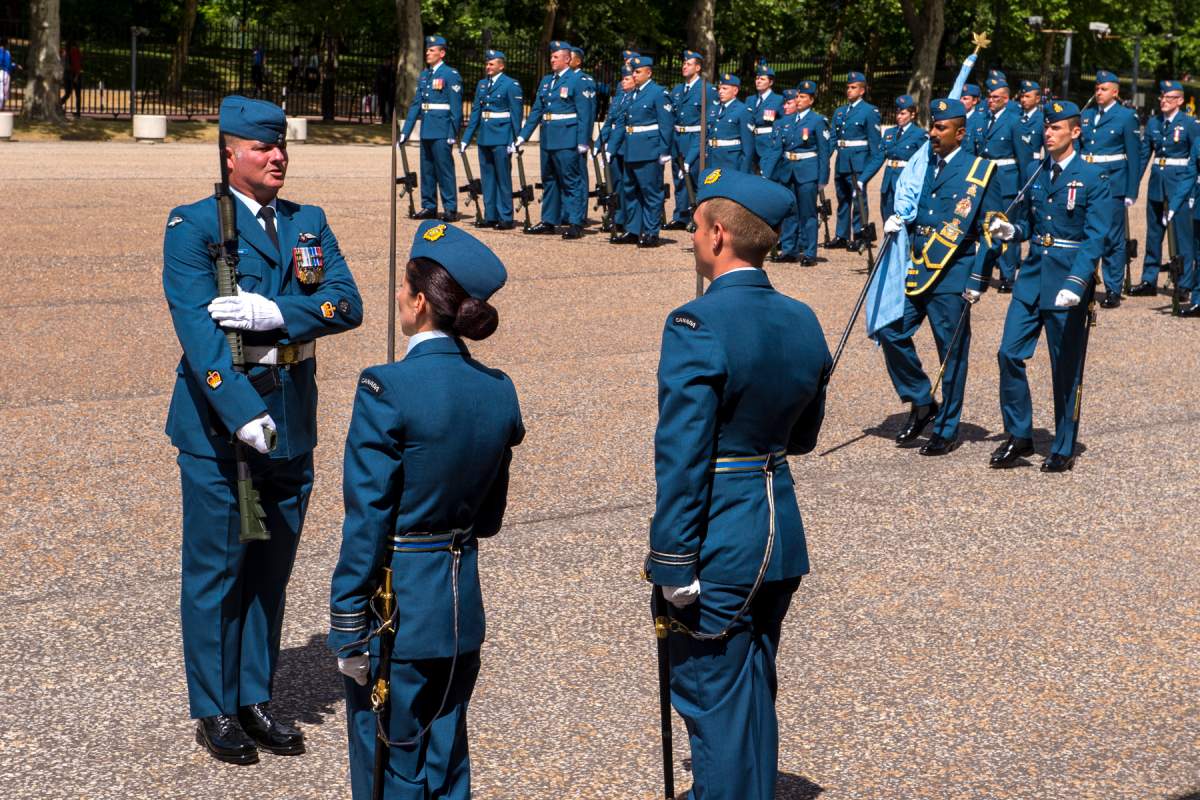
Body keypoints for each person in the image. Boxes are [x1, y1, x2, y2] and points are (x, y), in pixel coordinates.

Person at [163, 96, 363, 764]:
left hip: (293, 416)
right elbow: (199, 333)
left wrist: (274, 311)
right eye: (262, 148)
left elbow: (346, 302)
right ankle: (216, 707)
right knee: (219, 569)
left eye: (281, 147)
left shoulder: (309, 221)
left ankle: (254, 696)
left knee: (270, 571)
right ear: (230, 153)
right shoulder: (193, 225)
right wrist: (243, 411)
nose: (278, 157)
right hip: (224, 426)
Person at [646, 166, 830, 800]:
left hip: (721, 537)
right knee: (752, 695)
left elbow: (682, 450)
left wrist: (672, 556)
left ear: (719, 234)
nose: (691, 238)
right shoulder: (803, 317)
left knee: (715, 705)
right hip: (779, 531)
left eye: (695, 227)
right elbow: (802, 436)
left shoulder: (695, 323)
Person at [329, 221, 523, 800]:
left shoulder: (386, 388)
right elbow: (488, 516)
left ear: (419, 301)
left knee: (391, 762)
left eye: (403, 288)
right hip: (462, 601)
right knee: (447, 753)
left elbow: (367, 519)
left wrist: (347, 621)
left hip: (400, 607)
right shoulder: (498, 389)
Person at [984, 100, 1110, 472]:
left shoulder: (1092, 178)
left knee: (1065, 367)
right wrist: (1013, 232)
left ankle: (1064, 443)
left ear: (1075, 131)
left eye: (1056, 128)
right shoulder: (1038, 172)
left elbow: (1095, 237)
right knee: (1009, 352)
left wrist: (1078, 281)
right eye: (1047, 127)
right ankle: (1020, 434)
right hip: (1033, 277)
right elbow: (1033, 225)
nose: (1048, 132)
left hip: (1067, 282)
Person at [876, 97, 1003, 456]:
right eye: (932, 126)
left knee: (952, 354)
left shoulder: (980, 171)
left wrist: (980, 277)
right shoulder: (923, 165)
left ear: (960, 133)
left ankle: (946, 428)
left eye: (940, 127)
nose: (933, 133)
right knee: (890, 329)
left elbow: (993, 229)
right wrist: (898, 220)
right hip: (919, 267)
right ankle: (921, 400)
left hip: (952, 273)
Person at [1130, 80, 1199, 307]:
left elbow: (1194, 158)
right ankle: (1149, 279)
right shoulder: (1153, 123)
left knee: (1182, 237)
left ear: (1179, 100)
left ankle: (1184, 283)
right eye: (1162, 97)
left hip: (1180, 184)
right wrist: (1133, 185)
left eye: (1169, 98)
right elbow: (1143, 156)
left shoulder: (1189, 124)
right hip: (1157, 183)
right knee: (1154, 233)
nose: (1163, 101)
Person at [514, 41, 590, 239]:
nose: (552, 60)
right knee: (549, 180)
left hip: (567, 137)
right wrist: (523, 135)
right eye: (551, 56)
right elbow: (537, 111)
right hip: (548, 137)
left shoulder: (577, 80)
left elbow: (585, 114)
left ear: (567, 59)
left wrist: (582, 141)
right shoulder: (547, 81)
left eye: (556, 57)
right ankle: (549, 220)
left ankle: (575, 222)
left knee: (570, 181)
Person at [1079, 70, 1141, 308]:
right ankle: (1083, 283)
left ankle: (1113, 288)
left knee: (1112, 238)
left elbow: (1133, 156)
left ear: (1115, 92)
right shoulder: (1087, 115)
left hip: (1113, 183)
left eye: (1103, 89)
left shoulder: (1126, 116)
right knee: (1085, 232)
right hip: (1088, 181)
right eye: (1096, 88)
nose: (1098, 92)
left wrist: (1131, 190)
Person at [973, 73, 1034, 293]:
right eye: (989, 97)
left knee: (1004, 227)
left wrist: (1023, 187)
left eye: (996, 97)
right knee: (985, 226)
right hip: (986, 178)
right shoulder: (982, 121)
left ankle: (1008, 275)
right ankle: (983, 270)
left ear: (1006, 99)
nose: (991, 100)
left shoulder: (1015, 122)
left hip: (1007, 179)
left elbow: (1025, 160)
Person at [606, 55, 673, 248]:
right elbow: (621, 124)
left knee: (650, 192)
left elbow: (666, 124)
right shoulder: (631, 94)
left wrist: (664, 150)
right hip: (631, 149)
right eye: (633, 72)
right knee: (630, 191)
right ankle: (634, 230)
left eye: (638, 72)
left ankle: (651, 232)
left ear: (648, 72)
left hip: (649, 150)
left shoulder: (658, 93)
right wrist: (611, 149)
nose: (634, 75)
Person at [762, 82, 830, 265]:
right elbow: (777, 149)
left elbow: (824, 152)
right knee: (790, 212)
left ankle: (809, 253)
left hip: (807, 171)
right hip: (787, 171)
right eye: (797, 97)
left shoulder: (817, 121)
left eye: (802, 97)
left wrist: (823, 177)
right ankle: (789, 250)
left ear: (811, 100)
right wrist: (766, 173)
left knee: (808, 213)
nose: (798, 100)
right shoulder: (787, 121)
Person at [400, 35, 464, 222]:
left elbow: (456, 109)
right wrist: (406, 131)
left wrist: (453, 133)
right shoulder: (425, 75)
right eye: (427, 50)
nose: (427, 53)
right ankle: (429, 206)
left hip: (442, 130)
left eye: (431, 50)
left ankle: (450, 208)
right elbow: (416, 105)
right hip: (427, 129)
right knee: (427, 171)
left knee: (444, 171)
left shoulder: (450, 75)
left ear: (441, 53)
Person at [460, 49, 523, 230]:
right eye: (487, 64)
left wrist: (514, 140)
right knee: (487, 178)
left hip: (502, 136)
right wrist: (466, 138)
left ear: (501, 66)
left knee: (503, 178)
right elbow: (475, 114)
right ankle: (490, 215)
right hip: (485, 136)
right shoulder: (482, 84)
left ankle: (505, 216)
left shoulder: (510, 84)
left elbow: (516, 115)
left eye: (491, 64)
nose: (488, 67)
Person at [830, 71, 882, 252]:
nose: (849, 90)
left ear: (862, 90)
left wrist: (869, 169)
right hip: (842, 160)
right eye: (848, 87)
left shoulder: (870, 111)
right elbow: (833, 140)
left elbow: (875, 146)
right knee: (842, 198)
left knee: (858, 199)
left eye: (853, 88)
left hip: (858, 162)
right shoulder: (840, 111)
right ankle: (842, 235)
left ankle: (860, 236)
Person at [665, 50, 716, 230]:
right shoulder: (678, 90)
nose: (684, 66)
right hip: (678, 137)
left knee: (694, 177)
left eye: (688, 64)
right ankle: (680, 215)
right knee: (679, 179)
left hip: (695, 137)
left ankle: (697, 217)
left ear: (698, 67)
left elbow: (710, 118)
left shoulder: (707, 90)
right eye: (684, 63)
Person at [874, 94, 926, 220]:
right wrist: (862, 179)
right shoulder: (889, 132)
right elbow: (879, 157)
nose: (898, 116)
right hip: (888, 182)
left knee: (901, 220)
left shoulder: (919, 134)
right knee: (886, 217)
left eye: (903, 113)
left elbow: (923, 161)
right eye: (897, 113)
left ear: (912, 115)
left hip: (906, 182)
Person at [689, 73, 753, 173]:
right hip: (711, 159)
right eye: (719, 88)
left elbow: (748, 147)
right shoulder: (713, 109)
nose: (720, 92)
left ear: (735, 91)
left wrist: (743, 172)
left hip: (730, 162)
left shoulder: (743, 110)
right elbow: (704, 135)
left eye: (725, 88)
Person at [599, 65, 636, 237]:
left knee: (625, 184)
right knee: (614, 183)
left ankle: (624, 219)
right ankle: (617, 217)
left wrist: (611, 147)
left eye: (627, 79)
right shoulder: (620, 98)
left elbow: (621, 124)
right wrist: (601, 142)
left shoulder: (633, 99)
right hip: (614, 143)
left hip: (623, 144)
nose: (623, 81)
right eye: (623, 78)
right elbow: (609, 120)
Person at [570, 46, 598, 224]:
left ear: (578, 61)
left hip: (578, 134)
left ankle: (580, 214)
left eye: (569, 57)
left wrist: (585, 138)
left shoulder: (584, 79)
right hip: (564, 134)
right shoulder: (561, 80)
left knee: (578, 175)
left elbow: (588, 113)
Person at [746, 62, 784, 174]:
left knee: (767, 175)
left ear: (770, 82)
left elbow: (784, 123)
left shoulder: (778, 100)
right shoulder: (750, 100)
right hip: (751, 142)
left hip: (768, 143)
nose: (758, 81)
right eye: (757, 78)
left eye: (762, 79)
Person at [1016, 80, 1044, 171]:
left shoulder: (1042, 120)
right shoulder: (1016, 117)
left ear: (1037, 99)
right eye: (1022, 96)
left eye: (1027, 96)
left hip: (1033, 167)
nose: (1023, 100)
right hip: (1016, 168)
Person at [60, 40, 82, 117]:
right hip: (73, 74)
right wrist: (76, 76)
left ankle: (58, 105)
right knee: (77, 94)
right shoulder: (74, 52)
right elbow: (77, 65)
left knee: (68, 93)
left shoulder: (64, 52)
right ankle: (78, 112)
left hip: (66, 74)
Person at [960, 83, 984, 153]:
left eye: (965, 99)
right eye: (960, 98)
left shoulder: (981, 119)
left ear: (974, 101)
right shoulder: (954, 118)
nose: (961, 101)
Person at [374, 53, 397, 125]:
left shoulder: (392, 68)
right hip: (382, 89)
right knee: (382, 104)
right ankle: (383, 118)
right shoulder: (381, 68)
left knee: (391, 104)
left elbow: (393, 78)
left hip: (390, 89)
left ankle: (390, 117)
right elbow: (380, 78)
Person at [0, 38, 18, 111]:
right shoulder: (7, 53)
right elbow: (8, 64)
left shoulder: (7, 53)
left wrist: (15, 65)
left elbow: (9, 64)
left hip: (5, 73)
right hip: (5, 73)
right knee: (3, 93)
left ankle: (1, 109)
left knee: (4, 94)